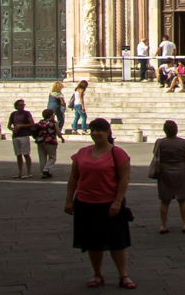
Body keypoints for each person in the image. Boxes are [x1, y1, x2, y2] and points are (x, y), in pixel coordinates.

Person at [65, 118, 134, 288]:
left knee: (117, 241)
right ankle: (98, 274)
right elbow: (74, 177)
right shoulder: (82, 152)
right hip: (85, 202)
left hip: (109, 202)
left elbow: (124, 179)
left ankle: (123, 275)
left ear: (108, 132)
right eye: (93, 130)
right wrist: (69, 200)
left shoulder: (117, 153)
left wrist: (118, 202)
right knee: (92, 242)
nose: (95, 133)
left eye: (99, 130)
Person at [152, 118, 185, 234]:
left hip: (165, 171)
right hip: (181, 171)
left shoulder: (160, 142)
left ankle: (163, 225)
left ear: (165, 131)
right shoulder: (184, 143)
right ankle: (184, 224)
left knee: (165, 200)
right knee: (182, 199)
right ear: (176, 130)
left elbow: (155, 154)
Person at [8, 99, 36, 178]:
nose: (22, 106)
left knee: (26, 154)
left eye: (23, 104)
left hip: (24, 135)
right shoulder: (13, 114)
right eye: (20, 104)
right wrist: (13, 129)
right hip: (15, 135)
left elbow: (31, 124)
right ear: (16, 106)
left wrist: (21, 126)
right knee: (18, 154)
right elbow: (9, 125)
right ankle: (20, 172)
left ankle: (28, 172)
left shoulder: (27, 114)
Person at [35, 105, 61, 181]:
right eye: (53, 114)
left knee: (42, 157)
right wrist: (61, 138)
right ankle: (46, 169)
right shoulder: (53, 122)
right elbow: (58, 132)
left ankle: (43, 172)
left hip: (40, 141)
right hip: (50, 141)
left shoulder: (41, 122)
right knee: (52, 157)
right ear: (50, 115)